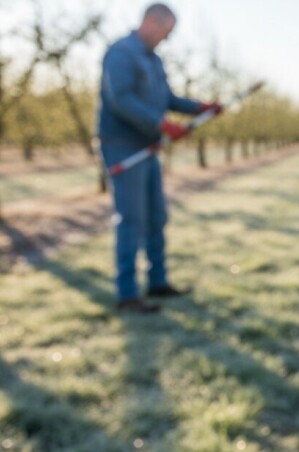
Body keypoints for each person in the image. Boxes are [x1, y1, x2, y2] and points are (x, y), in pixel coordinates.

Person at [98, 3, 222, 313]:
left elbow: (167, 99)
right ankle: (127, 294)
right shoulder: (121, 53)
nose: (166, 39)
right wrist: (161, 123)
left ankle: (158, 281)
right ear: (151, 21)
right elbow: (121, 98)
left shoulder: (154, 60)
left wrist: (199, 108)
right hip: (124, 145)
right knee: (131, 219)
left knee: (156, 217)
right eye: (166, 32)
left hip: (148, 146)